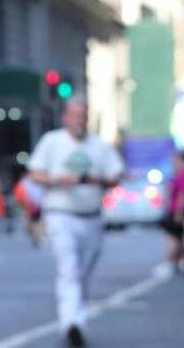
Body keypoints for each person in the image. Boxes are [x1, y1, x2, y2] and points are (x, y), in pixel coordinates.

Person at [28, 97, 124, 348]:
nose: (79, 120)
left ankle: (76, 318)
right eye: (74, 115)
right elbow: (35, 173)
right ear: (65, 118)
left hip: (91, 216)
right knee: (68, 268)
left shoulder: (99, 146)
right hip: (61, 214)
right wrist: (59, 180)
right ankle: (72, 324)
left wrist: (98, 180)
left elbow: (116, 175)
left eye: (83, 116)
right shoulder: (52, 142)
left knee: (82, 272)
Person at [158, 151, 184, 276]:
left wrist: (179, 212)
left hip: (176, 210)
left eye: (175, 161)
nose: (173, 164)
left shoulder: (182, 175)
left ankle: (171, 263)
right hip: (175, 209)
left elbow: (183, 194)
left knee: (173, 238)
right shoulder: (178, 174)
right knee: (178, 238)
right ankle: (176, 263)